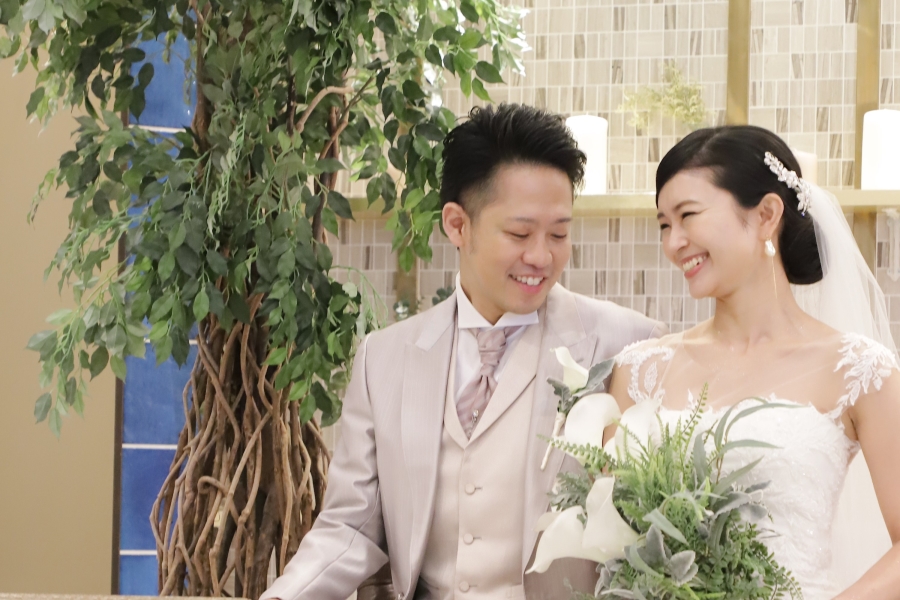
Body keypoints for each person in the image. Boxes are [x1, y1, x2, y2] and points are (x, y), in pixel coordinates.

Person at [260, 103, 665, 600]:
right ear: (457, 225)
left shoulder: (629, 345)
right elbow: (351, 527)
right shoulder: (384, 359)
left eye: (559, 233)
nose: (542, 256)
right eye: (519, 233)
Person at [607, 125, 900, 600]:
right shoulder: (640, 370)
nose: (674, 242)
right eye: (663, 224)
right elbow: (612, 534)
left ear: (766, 215)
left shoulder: (860, 371)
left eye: (688, 216)